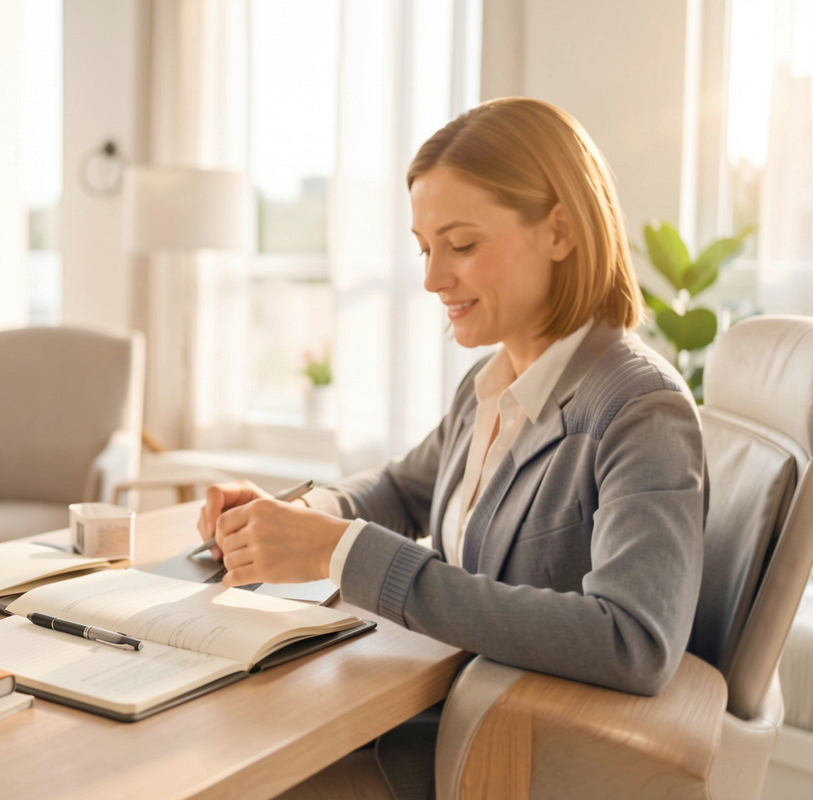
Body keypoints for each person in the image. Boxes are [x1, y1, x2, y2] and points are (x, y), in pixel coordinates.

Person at [198, 97, 705, 799]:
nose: (434, 279)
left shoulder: (638, 410)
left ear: (560, 230)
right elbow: (406, 491)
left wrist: (341, 552)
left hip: (485, 754)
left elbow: (634, 641)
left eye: (461, 245)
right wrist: (293, 517)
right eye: (425, 248)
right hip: (425, 709)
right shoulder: (489, 385)